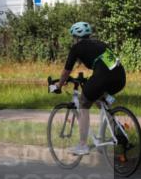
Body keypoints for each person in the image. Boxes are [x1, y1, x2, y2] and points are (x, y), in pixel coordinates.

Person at [51, 21, 126, 156]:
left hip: (104, 76)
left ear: (75, 37)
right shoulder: (100, 44)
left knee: (84, 103)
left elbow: (67, 70)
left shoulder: (76, 48)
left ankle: (82, 145)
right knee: (99, 98)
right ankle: (117, 130)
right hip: (120, 77)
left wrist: (59, 85)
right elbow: (107, 65)